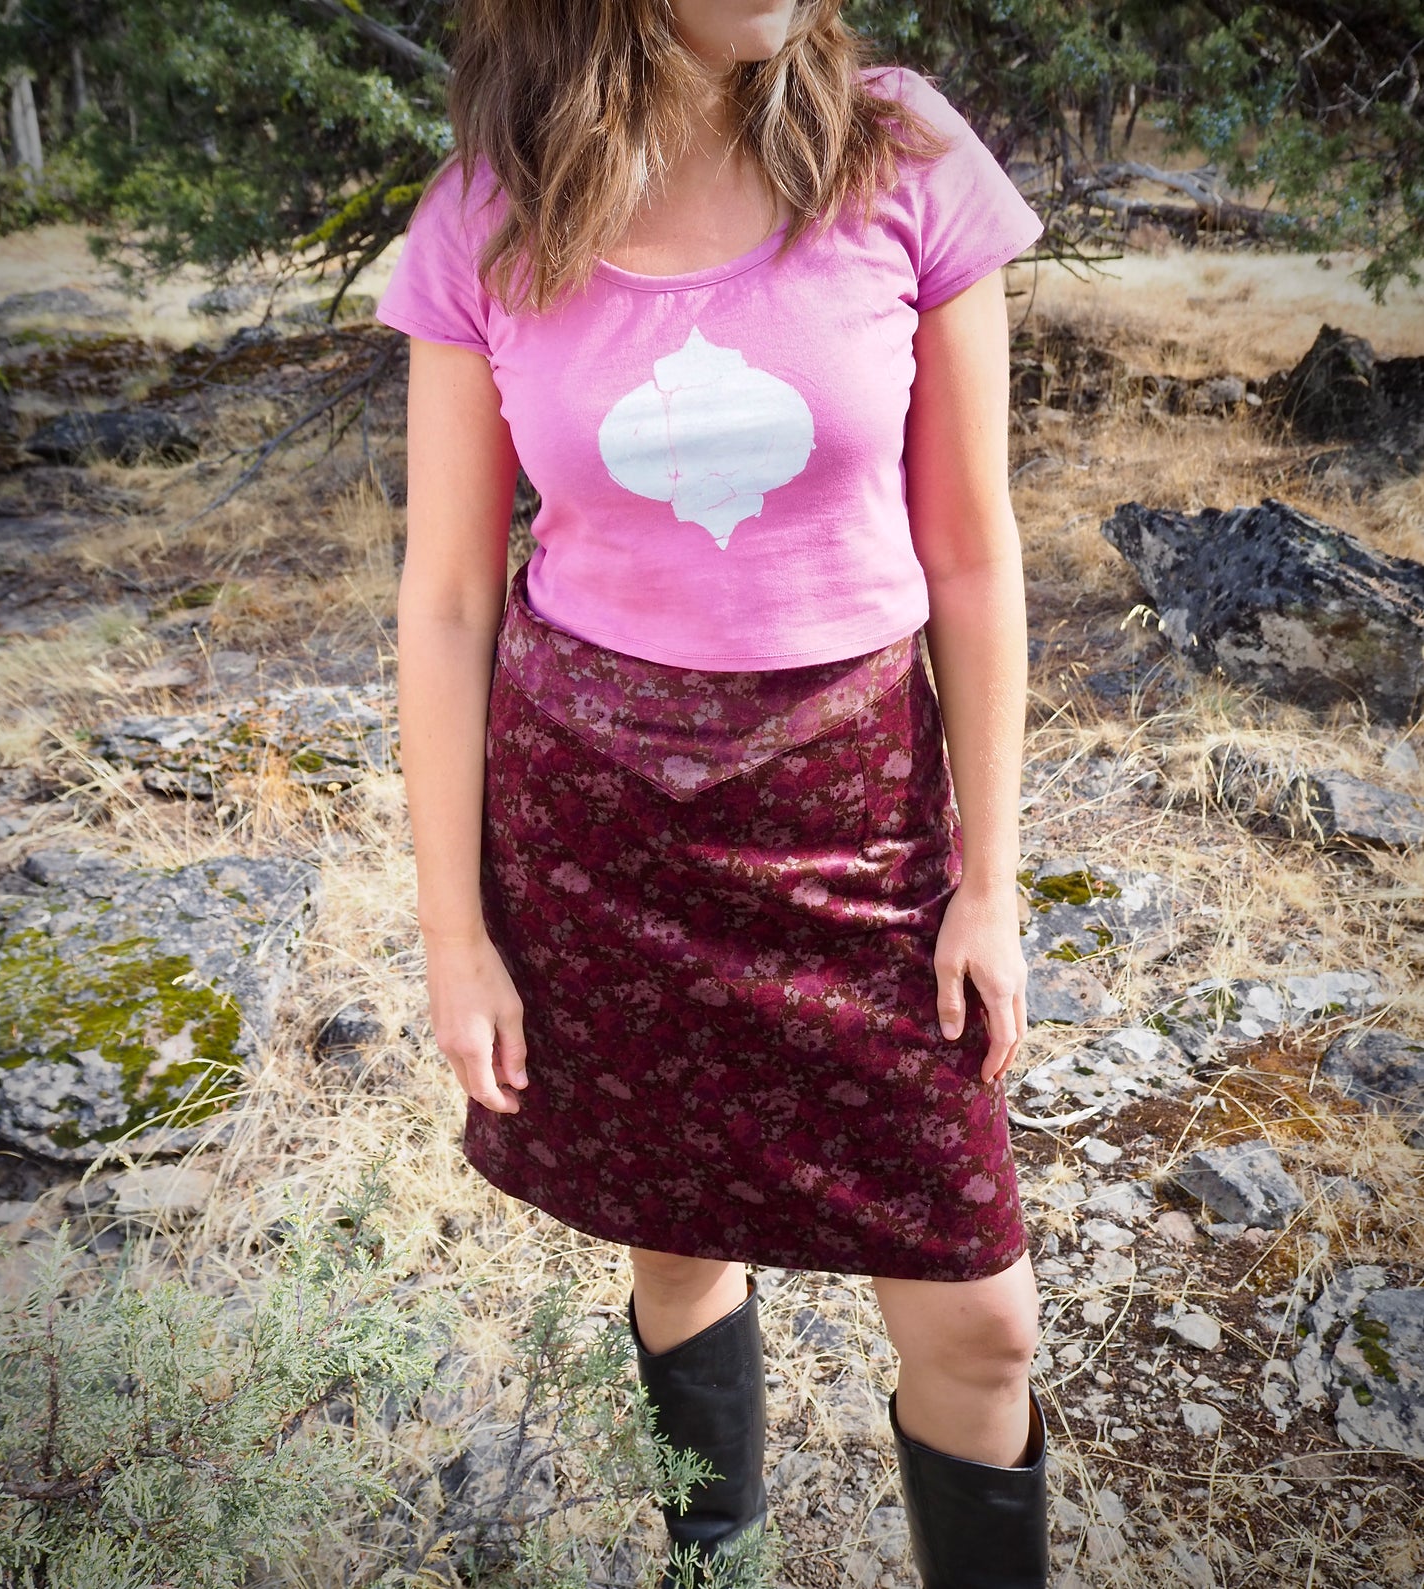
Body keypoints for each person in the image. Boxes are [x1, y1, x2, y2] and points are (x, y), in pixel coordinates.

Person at [374, 2, 1049, 1584]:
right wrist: (455, 936)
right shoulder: (488, 210)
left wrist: (988, 878)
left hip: (860, 825)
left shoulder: (900, 153)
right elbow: (449, 599)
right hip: (598, 834)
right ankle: (714, 1561)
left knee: (982, 1323)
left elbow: (971, 552)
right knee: (676, 1250)